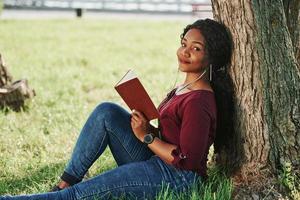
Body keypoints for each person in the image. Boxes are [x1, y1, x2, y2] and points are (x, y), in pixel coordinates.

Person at [1, 18, 233, 200]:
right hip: (157, 160)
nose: (185, 52)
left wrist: (147, 136)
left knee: (80, 195)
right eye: (184, 44)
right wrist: (144, 127)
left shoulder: (199, 101)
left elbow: (187, 160)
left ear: (211, 58)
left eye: (196, 49)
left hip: (178, 179)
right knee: (106, 112)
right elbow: (173, 135)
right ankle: (65, 182)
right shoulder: (186, 87)